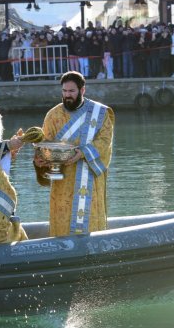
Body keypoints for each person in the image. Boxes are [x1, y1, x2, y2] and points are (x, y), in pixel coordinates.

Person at [33, 71, 114, 237]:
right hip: (63, 180)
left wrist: (83, 152)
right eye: (64, 91)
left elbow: (105, 142)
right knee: (62, 220)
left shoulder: (100, 113)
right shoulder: (52, 115)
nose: (67, 95)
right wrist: (41, 160)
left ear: (82, 90)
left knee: (90, 221)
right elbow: (45, 145)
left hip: (89, 177)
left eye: (71, 91)